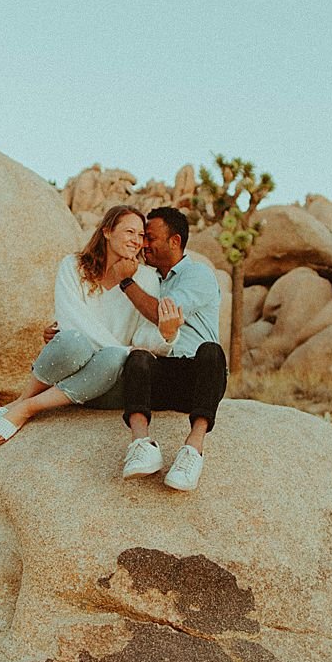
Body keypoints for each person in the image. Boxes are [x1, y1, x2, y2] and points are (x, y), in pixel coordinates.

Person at [0, 205, 181, 444]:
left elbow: (143, 338)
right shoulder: (73, 266)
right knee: (70, 340)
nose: (137, 241)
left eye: (141, 235)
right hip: (75, 370)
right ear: (107, 232)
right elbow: (72, 321)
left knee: (112, 358)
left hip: (109, 381)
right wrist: (124, 350)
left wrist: (165, 336)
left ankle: (25, 409)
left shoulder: (146, 278)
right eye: (130, 232)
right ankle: (19, 400)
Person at [113, 206, 227, 492]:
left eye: (150, 237)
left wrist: (126, 282)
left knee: (212, 352)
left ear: (174, 241)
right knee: (137, 357)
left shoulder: (197, 274)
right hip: (160, 375)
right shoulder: (149, 278)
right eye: (141, 236)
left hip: (196, 377)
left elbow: (163, 314)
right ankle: (142, 444)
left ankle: (193, 448)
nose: (143, 244)